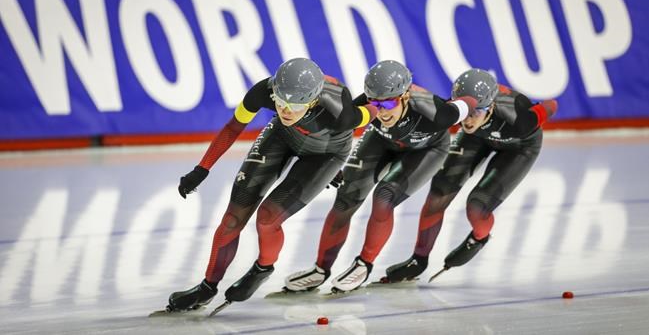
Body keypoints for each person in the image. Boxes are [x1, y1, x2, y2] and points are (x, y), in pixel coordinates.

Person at [164, 58, 379, 312]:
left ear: (311, 102)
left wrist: (334, 168)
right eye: (280, 102)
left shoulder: (340, 111)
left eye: (295, 106)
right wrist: (202, 168)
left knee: (267, 219)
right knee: (233, 217)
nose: (286, 110)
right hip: (282, 137)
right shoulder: (263, 91)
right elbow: (233, 128)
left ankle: (263, 268)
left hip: (325, 154)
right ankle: (207, 287)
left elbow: (375, 107)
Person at [283, 60, 478, 293]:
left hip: (426, 150)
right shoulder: (365, 104)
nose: (382, 111)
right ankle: (320, 269)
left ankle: (364, 264)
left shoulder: (436, 112)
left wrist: (477, 101)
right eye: (376, 103)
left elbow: (469, 102)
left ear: (405, 96)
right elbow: (336, 130)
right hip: (381, 141)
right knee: (346, 196)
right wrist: (329, 164)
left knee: (384, 197)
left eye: (389, 103)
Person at [385, 68, 558, 282]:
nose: (467, 120)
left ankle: (479, 237)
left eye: (476, 112)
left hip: (519, 146)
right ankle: (419, 260)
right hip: (476, 138)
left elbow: (552, 104)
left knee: (477, 205)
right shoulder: (459, 114)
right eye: (465, 111)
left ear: (491, 106)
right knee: (439, 192)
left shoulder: (520, 120)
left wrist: (540, 109)